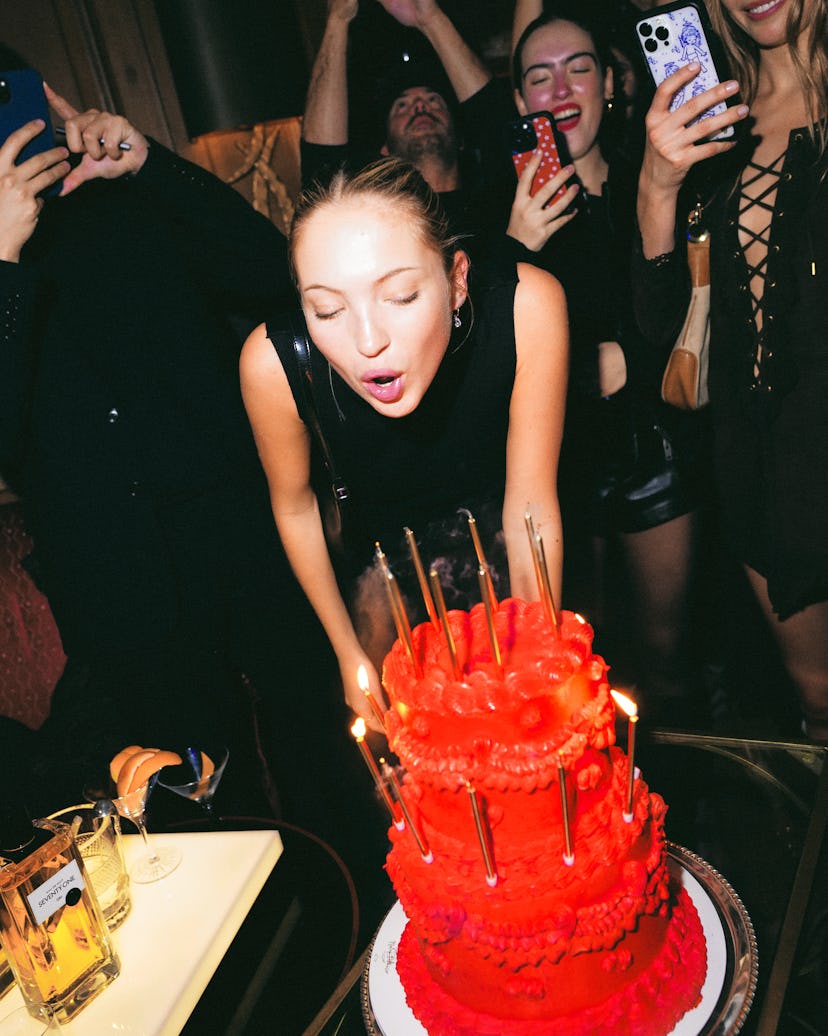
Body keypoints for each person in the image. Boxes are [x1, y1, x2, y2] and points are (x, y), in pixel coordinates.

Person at [0, 57, 322, 811]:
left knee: (319, 746)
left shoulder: (127, 194)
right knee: (200, 799)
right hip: (119, 587)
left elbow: (272, 275)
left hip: (243, 536)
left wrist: (149, 163)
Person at [240, 156, 567, 725]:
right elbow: (295, 507)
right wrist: (348, 653)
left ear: (457, 279)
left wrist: (538, 649)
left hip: (507, 556)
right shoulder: (273, 365)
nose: (368, 342)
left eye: (401, 297)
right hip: (377, 585)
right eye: (328, 308)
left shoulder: (527, 306)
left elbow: (531, 504)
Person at [498, 3, 710, 714]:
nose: (559, 90)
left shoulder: (654, 174)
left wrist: (626, 357)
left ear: (613, 85)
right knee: (577, 668)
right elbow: (485, 355)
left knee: (667, 661)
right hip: (558, 472)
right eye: (539, 77)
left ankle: (690, 804)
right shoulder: (502, 205)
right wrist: (516, 243)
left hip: (651, 450)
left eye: (577, 69)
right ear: (520, 102)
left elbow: (694, 316)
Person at [632, 0, 828, 741]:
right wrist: (657, 184)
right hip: (764, 467)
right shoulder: (717, 120)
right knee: (820, 705)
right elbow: (660, 328)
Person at [299, 0, 514, 247]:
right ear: (385, 151)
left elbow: (494, 118)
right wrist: (337, 20)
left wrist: (431, 18)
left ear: (461, 140)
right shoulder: (375, 223)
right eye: (401, 106)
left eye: (434, 101)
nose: (420, 107)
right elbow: (321, 162)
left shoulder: (496, 202)